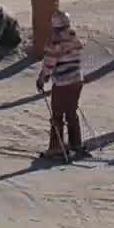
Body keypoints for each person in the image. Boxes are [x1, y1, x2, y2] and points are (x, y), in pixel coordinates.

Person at [35, 10, 90, 160]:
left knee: (58, 114)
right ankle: (76, 144)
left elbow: (49, 64)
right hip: (77, 81)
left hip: (62, 83)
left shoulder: (54, 43)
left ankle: (56, 147)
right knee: (71, 111)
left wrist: (42, 79)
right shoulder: (74, 38)